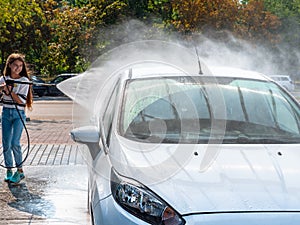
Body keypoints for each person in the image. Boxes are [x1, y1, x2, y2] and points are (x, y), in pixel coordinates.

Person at [0, 53, 33, 183]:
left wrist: (10, 92)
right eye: (15, 65)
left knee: (15, 143)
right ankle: (9, 170)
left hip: (18, 114)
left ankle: (20, 171)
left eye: (20, 66)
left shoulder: (24, 81)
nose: (18, 68)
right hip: (6, 113)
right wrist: (3, 89)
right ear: (9, 65)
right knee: (6, 144)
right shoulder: (3, 79)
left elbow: (21, 101)